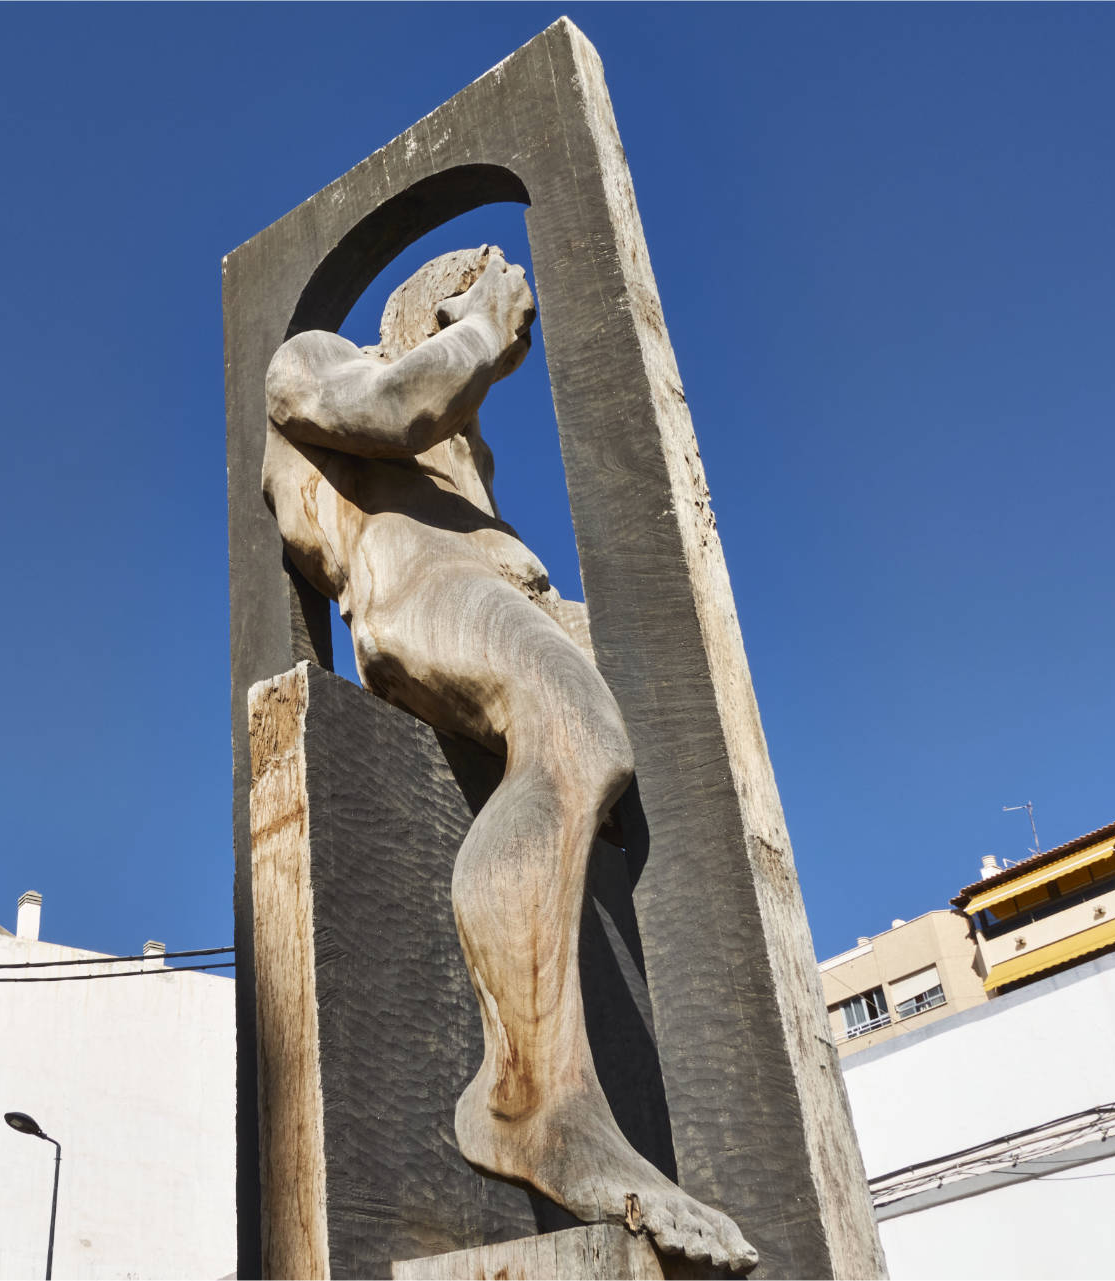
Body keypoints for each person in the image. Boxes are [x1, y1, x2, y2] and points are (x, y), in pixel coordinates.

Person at [262, 246, 755, 1272]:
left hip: (501, 604)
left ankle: (562, 1098)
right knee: (578, 733)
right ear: (426, 308)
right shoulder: (314, 357)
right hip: (422, 599)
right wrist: (478, 328)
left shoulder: (464, 441)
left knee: (605, 760)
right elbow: (389, 411)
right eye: (490, 300)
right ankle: (530, 1100)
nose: (509, 329)